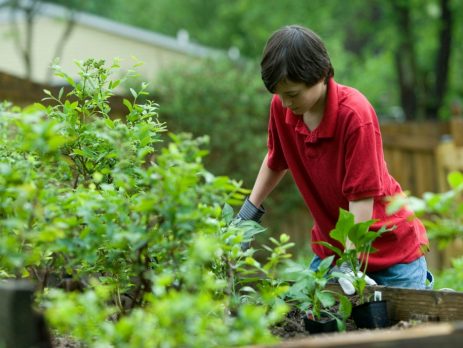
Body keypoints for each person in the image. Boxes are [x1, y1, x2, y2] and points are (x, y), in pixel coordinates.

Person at [236, 24, 433, 294]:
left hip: (391, 255)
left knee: (403, 331)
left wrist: (351, 264)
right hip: (333, 252)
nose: (284, 103)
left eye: (292, 94)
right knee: (313, 322)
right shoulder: (283, 108)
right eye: (279, 94)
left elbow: (361, 198)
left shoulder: (354, 114)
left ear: (320, 75)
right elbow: (275, 159)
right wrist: (246, 217)